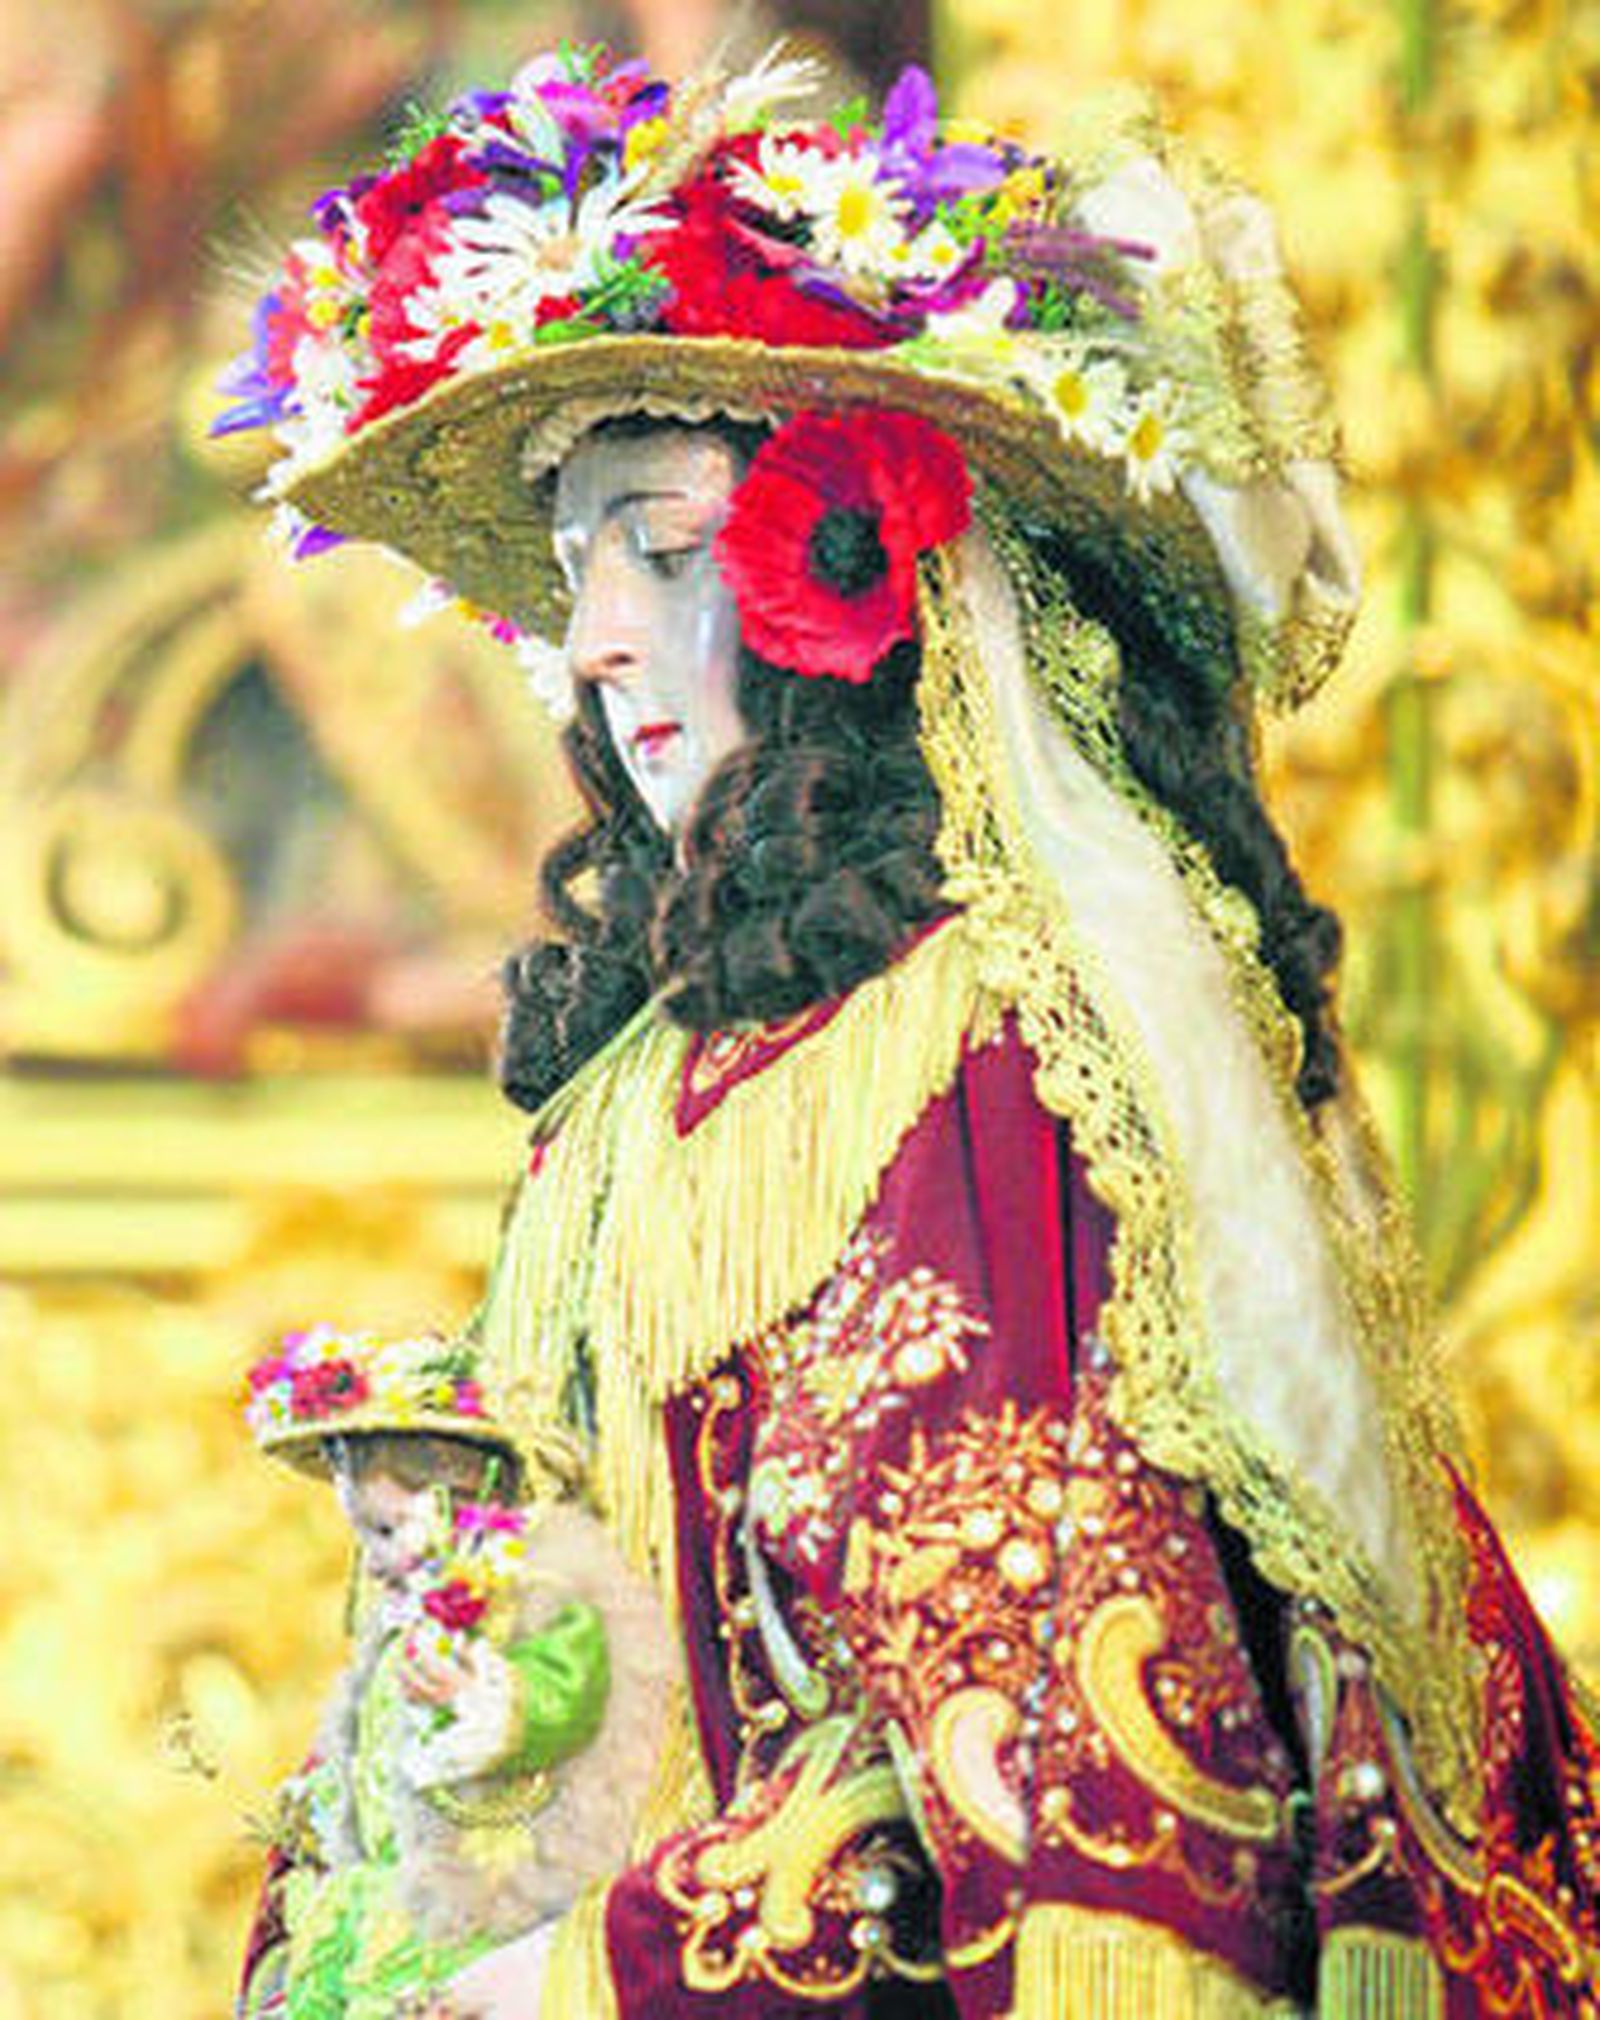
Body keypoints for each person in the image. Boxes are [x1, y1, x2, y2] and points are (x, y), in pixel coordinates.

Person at [221, 41, 1600, 2017]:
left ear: (853, 577)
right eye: (575, 569)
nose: (594, 641)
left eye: (662, 546)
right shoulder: (634, 1099)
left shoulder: (982, 1049)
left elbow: (1052, 1739)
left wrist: (563, 1975)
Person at [236, 1325, 672, 2018]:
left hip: (475, 1907)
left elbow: (568, 1682)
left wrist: (502, 1708)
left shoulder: (533, 1600)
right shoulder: (398, 1633)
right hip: (374, 1907)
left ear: (467, 1501)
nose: (373, 1562)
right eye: (362, 1537)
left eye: (387, 1531)